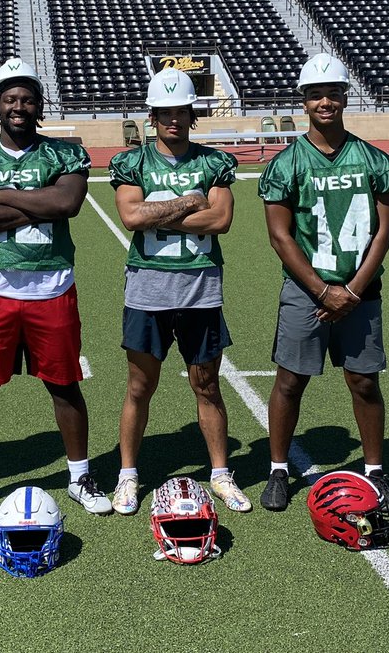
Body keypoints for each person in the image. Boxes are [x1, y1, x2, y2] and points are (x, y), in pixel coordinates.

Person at [0, 57, 112, 521]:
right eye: (10, 98)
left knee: (65, 385)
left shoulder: (65, 153)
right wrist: (38, 207)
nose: (19, 106)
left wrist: (0, 197)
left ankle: (80, 476)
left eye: (27, 99)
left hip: (51, 287)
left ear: (39, 106)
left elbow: (67, 203)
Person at [256, 54, 389, 514]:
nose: (326, 101)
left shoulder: (373, 159)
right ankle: (278, 468)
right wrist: (323, 291)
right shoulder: (286, 164)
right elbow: (280, 236)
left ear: (344, 96)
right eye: (316, 94)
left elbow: (384, 230)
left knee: (362, 381)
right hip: (306, 292)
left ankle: (375, 470)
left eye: (333, 93)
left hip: (360, 292)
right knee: (290, 380)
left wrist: (353, 290)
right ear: (303, 101)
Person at [106, 68, 251, 515]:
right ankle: (127, 476)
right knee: (139, 386)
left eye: (181, 112)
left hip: (201, 288)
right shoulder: (131, 163)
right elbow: (131, 217)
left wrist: (156, 211)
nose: (174, 120)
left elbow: (220, 221)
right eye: (165, 113)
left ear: (192, 115)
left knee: (206, 385)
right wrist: (190, 201)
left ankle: (222, 474)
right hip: (147, 289)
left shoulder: (213, 162)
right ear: (153, 117)